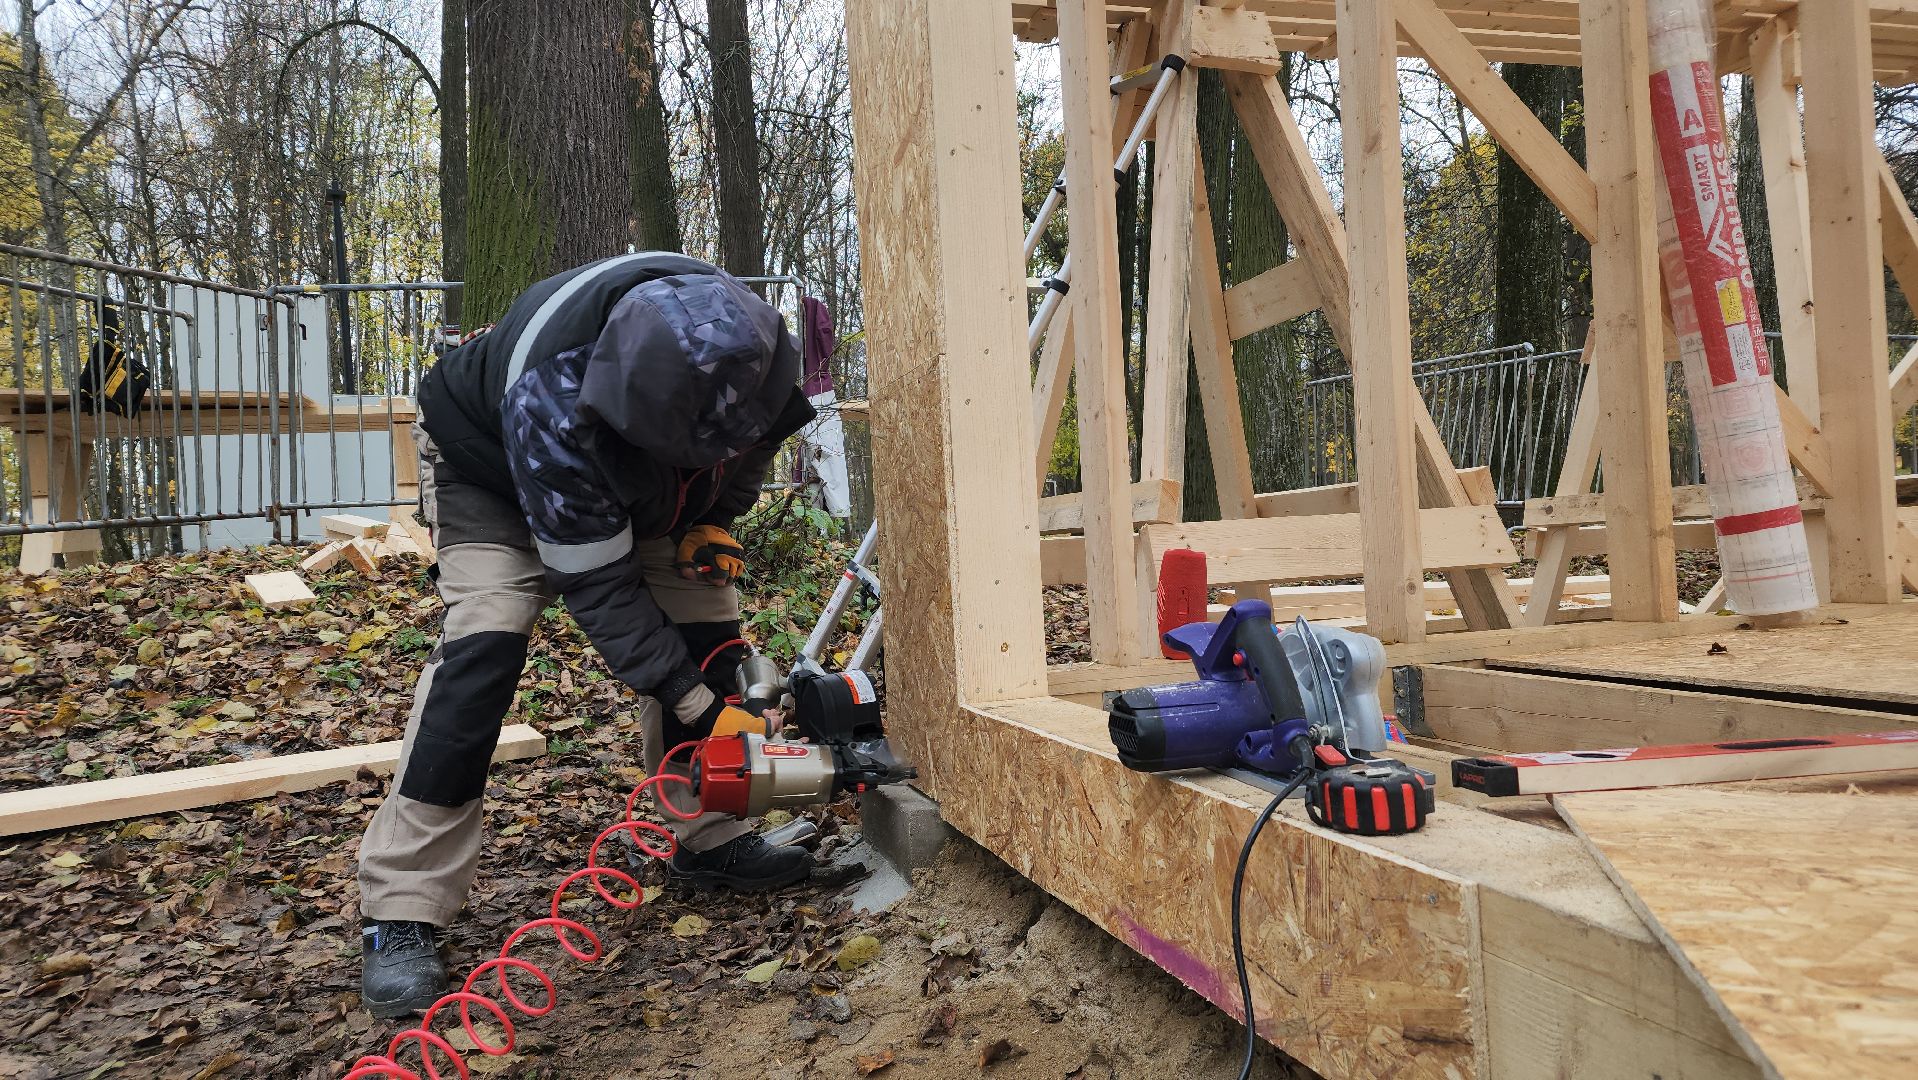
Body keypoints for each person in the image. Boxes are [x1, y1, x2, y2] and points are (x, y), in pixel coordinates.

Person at [356, 253, 817, 1018]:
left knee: (708, 630)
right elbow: (602, 590)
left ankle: (709, 834)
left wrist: (710, 518)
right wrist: (700, 707)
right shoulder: (553, 402)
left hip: (647, 479)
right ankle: (401, 907)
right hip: (493, 470)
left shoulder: (753, 348)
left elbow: (757, 446)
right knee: (486, 644)